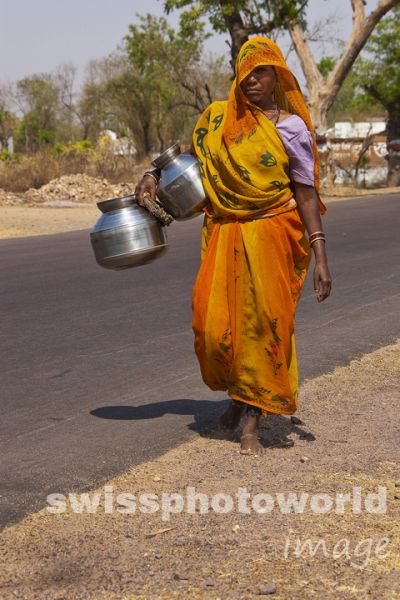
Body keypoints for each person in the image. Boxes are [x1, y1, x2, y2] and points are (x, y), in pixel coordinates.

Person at [135, 36, 332, 456]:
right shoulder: (218, 120)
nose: (252, 81)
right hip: (224, 233)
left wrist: (320, 255)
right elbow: (187, 161)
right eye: (245, 74)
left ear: (278, 75)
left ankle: (252, 422)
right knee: (215, 328)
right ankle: (237, 396)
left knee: (263, 326)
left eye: (261, 72)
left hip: (271, 234)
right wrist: (152, 174)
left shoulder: (291, 128)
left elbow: (306, 192)